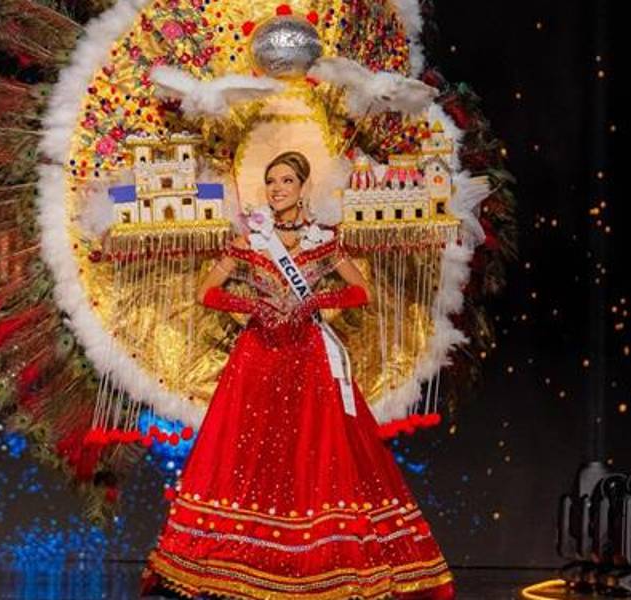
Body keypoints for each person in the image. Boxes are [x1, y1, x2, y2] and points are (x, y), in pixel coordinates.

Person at [141, 151, 456, 599]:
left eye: (287, 180)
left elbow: (360, 291)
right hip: (258, 358)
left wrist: (312, 304)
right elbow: (204, 292)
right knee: (253, 450)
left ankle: (312, 556)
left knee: (311, 450)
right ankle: (243, 558)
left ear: (302, 186)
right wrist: (251, 306)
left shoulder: (323, 240)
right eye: (271, 181)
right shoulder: (251, 239)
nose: (277, 189)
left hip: (307, 357)